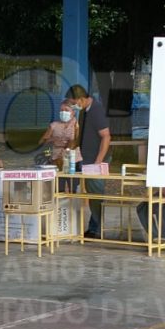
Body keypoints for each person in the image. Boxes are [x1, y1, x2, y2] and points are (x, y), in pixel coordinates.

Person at [64, 84, 111, 238]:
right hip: (87, 159)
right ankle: (93, 227)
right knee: (92, 194)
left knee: (96, 194)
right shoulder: (85, 111)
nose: (73, 106)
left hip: (96, 160)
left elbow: (106, 136)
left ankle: (96, 229)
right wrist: (71, 148)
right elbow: (82, 135)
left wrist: (98, 162)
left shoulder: (96, 110)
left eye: (73, 103)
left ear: (81, 99)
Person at [37, 100, 82, 170]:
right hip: (55, 159)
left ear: (73, 112)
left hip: (73, 159)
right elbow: (41, 142)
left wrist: (67, 148)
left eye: (66, 110)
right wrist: (51, 139)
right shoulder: (54, 125)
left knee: (73, 175)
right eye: (61, 110)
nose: (63, 112)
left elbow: (75, 142)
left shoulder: (77, 125)